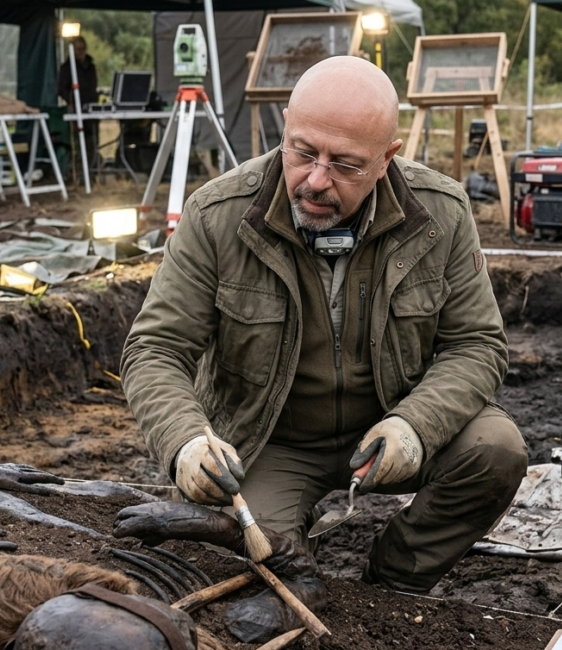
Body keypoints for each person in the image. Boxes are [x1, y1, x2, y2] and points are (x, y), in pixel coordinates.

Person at [120, 56, 528, 594]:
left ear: (388, 159)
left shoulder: (441, 214)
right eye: (303, 152)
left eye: (345, 165)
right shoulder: (217, 215)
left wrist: (416, 426)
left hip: (391, 425)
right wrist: (186, 442)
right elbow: (155, 348)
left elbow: (477, 343)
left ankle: (390, 583)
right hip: (269, 442)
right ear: (284, 128)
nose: (315, 180)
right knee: (257, 561)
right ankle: (284, 542)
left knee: (496, 450)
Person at [57, 36, 99, 171]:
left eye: (82, 49)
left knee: (92, 141)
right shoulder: (67, 67)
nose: (79, 52)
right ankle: (78, 171)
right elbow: (61, 88)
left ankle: (92, 170)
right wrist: (71, 102)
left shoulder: (91, 66)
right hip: (75, 110)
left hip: (91, 110)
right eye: (76, 49)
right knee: (77, 144)